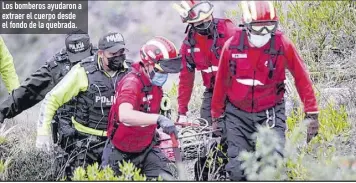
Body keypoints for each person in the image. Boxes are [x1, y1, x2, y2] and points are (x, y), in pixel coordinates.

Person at [211, 1, 320, 181]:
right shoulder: (231, 47)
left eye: (269, 27)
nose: (264, 33)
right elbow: (221, 83)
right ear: (246, 25)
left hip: (270, 112)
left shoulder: (283, 45)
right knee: (238, 171)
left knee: (273, 166)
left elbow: (302, 79)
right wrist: (216, 116)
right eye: (257, 27)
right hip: (237, 115)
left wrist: (312, 113)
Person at [36, 32, 132, 178]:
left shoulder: (131, 72)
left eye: (122, 52)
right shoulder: (83, 72)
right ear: (100, 53)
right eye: (113, 53)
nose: (118, 56)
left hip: (118, 143)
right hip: (85, 145)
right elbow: (51, 99)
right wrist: (42, 134)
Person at [102, 36, 182, 180]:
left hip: (146, 149)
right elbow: (124, 115)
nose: (164, 76)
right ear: (148, 64)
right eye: (161, 71)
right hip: (120, 154)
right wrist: (158, 119)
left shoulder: (154, 84)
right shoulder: (132, 83)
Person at [0, 30, 96, 125]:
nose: (79, 63)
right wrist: (2, 111)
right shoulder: (58, 65)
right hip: (69, 131)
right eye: (75, 58)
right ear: (67, 50)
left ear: (90, 47)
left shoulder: (105, 60)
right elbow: (30, 89)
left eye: (84, 57)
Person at [172, 0, 237, 127]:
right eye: (200, 21)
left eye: (207, 18)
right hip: (213, 91)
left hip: (235, 88)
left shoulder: (228, 30)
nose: (205, 22)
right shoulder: (189, 46)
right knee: (207, 128)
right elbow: (185, 80)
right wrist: (182, 112)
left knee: (235, 129)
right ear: (191, 23)